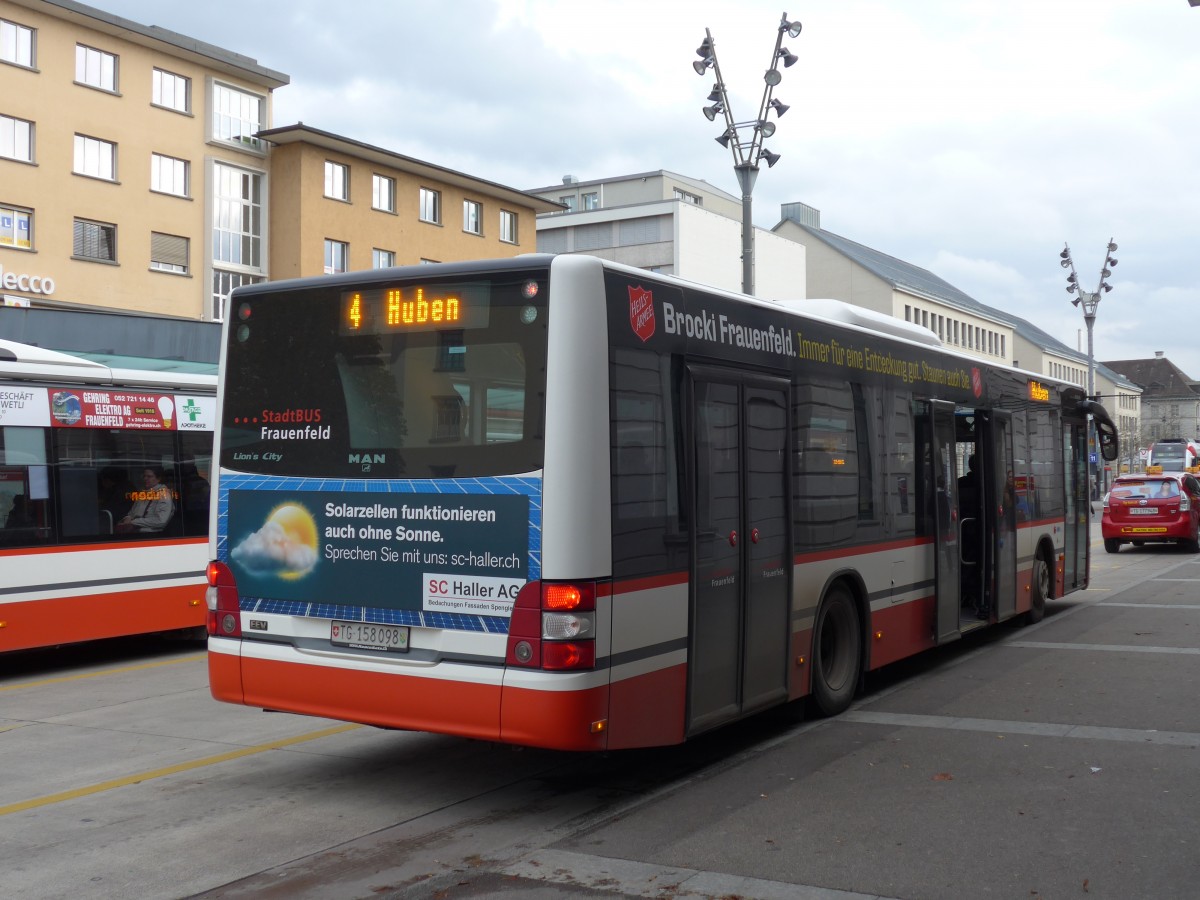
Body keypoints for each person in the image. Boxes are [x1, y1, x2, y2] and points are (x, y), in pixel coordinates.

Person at [116, 467, 173, 533]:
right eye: (144, 476)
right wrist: (127, 518)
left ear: (158, 479)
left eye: (149, 476)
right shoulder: (143, 493)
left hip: (152, 536)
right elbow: (132, 513)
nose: (145, 479)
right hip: (135, 531)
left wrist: (133, 522)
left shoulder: (164, 494)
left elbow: (161, 521)